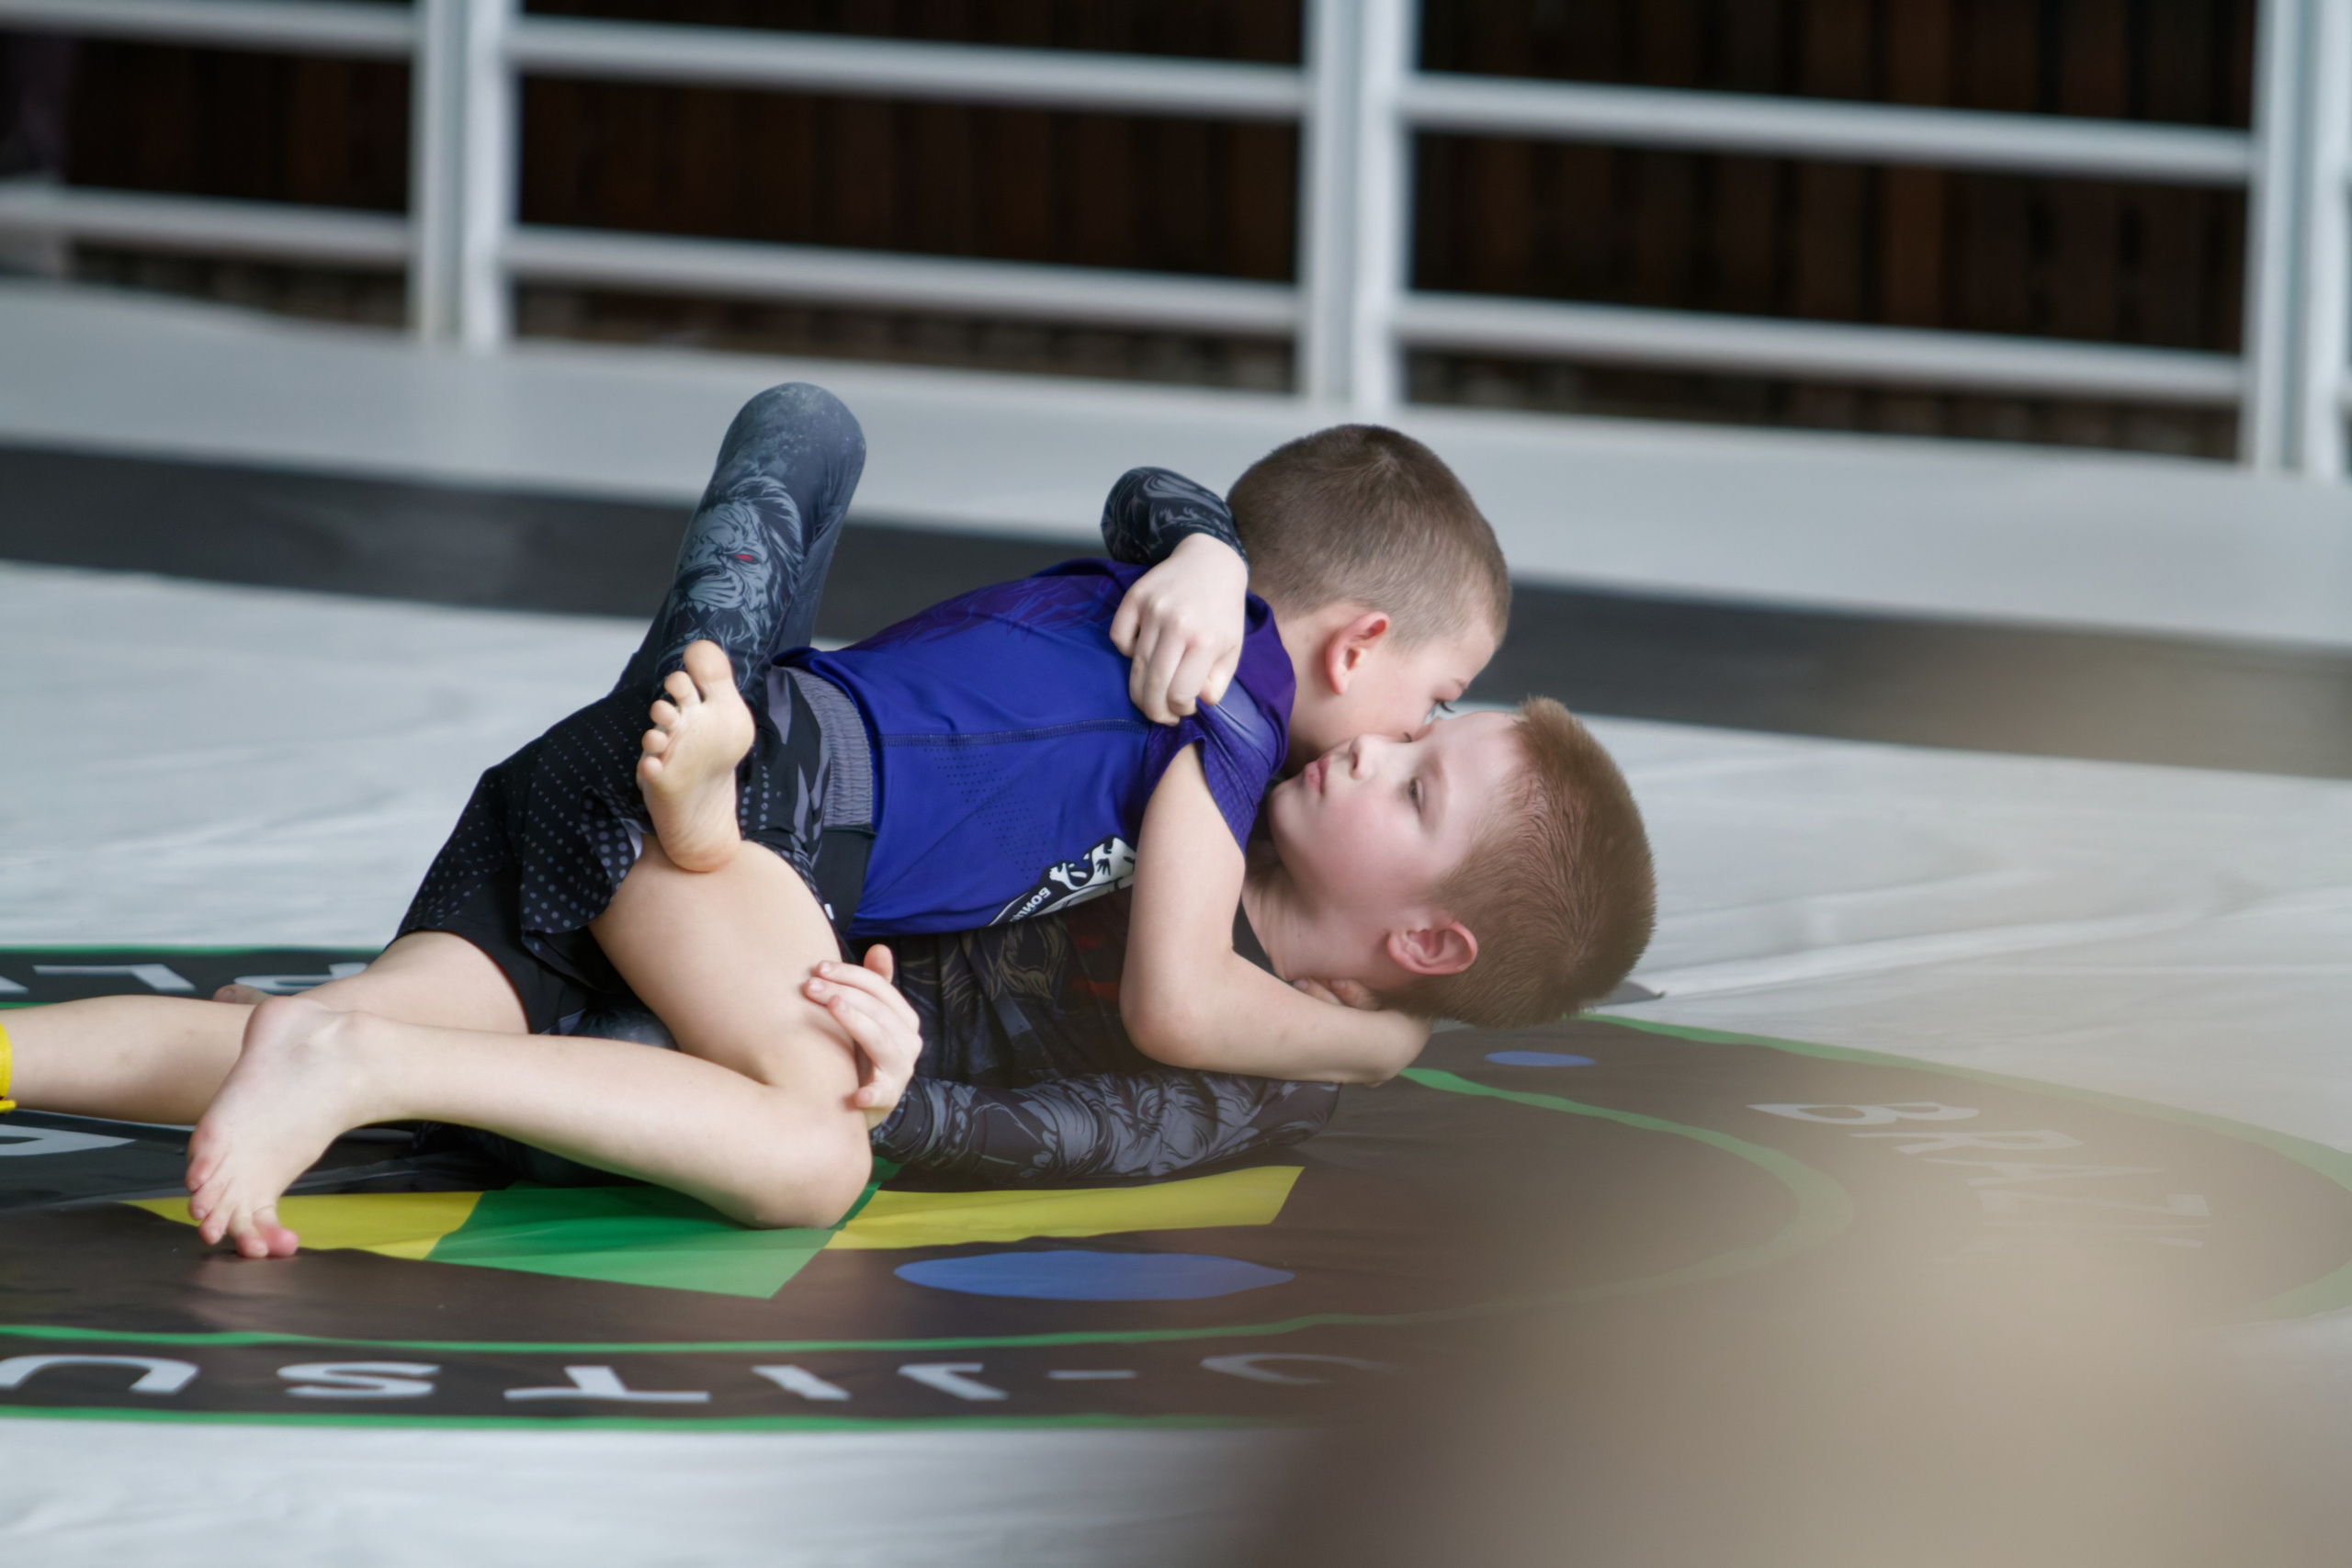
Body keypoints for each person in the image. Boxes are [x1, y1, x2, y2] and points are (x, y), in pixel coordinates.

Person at [2, 386, 1654, 1255]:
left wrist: (1205, 539)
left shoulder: (1213, 746)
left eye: (1423, 770)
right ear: (1351, 647)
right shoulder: (1214, 723)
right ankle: (404, 1036)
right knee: (807, 1156)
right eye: (1414, 723)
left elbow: (1044, 1121)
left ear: (1426, 934)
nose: (1386, 746)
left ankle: (121, 1056)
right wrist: (1383, 1048)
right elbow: (1171, 999)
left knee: (294, 1033)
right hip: (723, 843)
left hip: (628, 850)